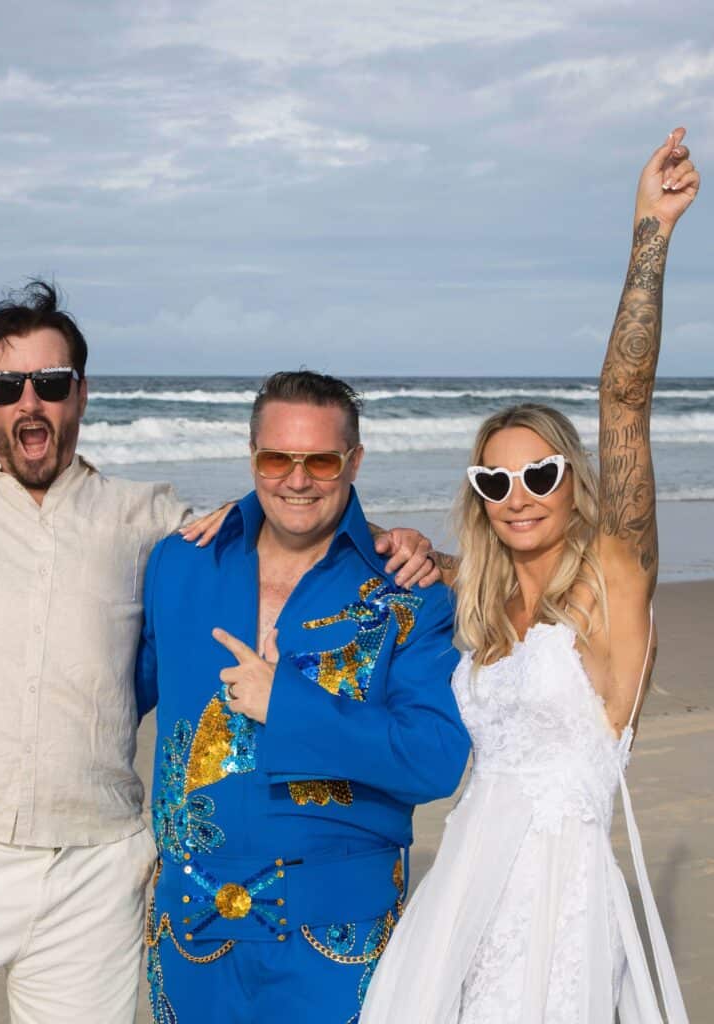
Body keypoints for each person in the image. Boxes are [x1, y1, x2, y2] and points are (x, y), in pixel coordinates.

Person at [0, 283, 437, 1023]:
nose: (30, 402)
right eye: (7, 385)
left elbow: (292, 526)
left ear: (80, 394)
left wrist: (403, 546)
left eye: (51, 383)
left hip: (98, 869)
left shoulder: (151, 521)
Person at [360, 131, 699, 1022]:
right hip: (465, 894)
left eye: (541, 475)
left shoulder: (612, 578)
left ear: (573, 480)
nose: (519, 497)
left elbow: (624, 398)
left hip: (562, 903)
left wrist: (649, 233)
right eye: (495, 481)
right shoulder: (479, 593)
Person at [134, 370, 472, 1023]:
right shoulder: (179, 563)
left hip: (335, 942)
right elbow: (113, 697)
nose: (296, 480)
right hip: (191, 938)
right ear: (251, 457)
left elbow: (435, 757)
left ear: (354, 461)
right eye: (275, 459)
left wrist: (287, 706)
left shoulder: (407, 593)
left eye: (320, 460)